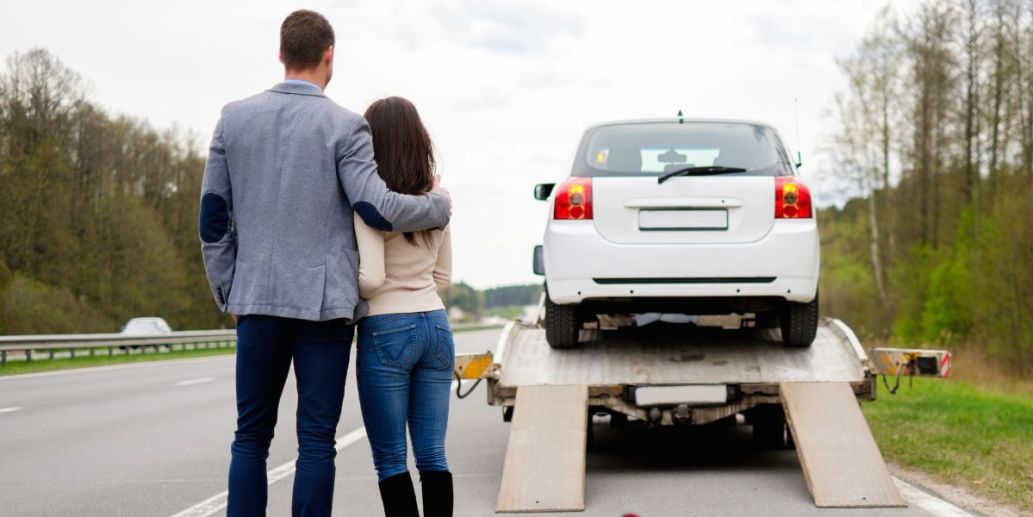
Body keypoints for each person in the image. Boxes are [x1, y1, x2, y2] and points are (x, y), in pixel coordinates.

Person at [198, 10, 451, 517]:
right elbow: (376, 206)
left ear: (281, 53)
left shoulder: (234, 117)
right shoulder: (344, 125)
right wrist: (436, 208)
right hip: (325, 309)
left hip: (257, 300)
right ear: (329, 54)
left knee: (250, 437)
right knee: (315, 442)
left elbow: (213, 217)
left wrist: (227, 290)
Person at [353, 97, 454, 517]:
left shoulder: (368, 202)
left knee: (391, 460)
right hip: (436, 326)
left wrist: (346, 293)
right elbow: (444, 277)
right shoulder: (439, 199)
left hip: (386, 328)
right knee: (432, 456)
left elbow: (372, 278)